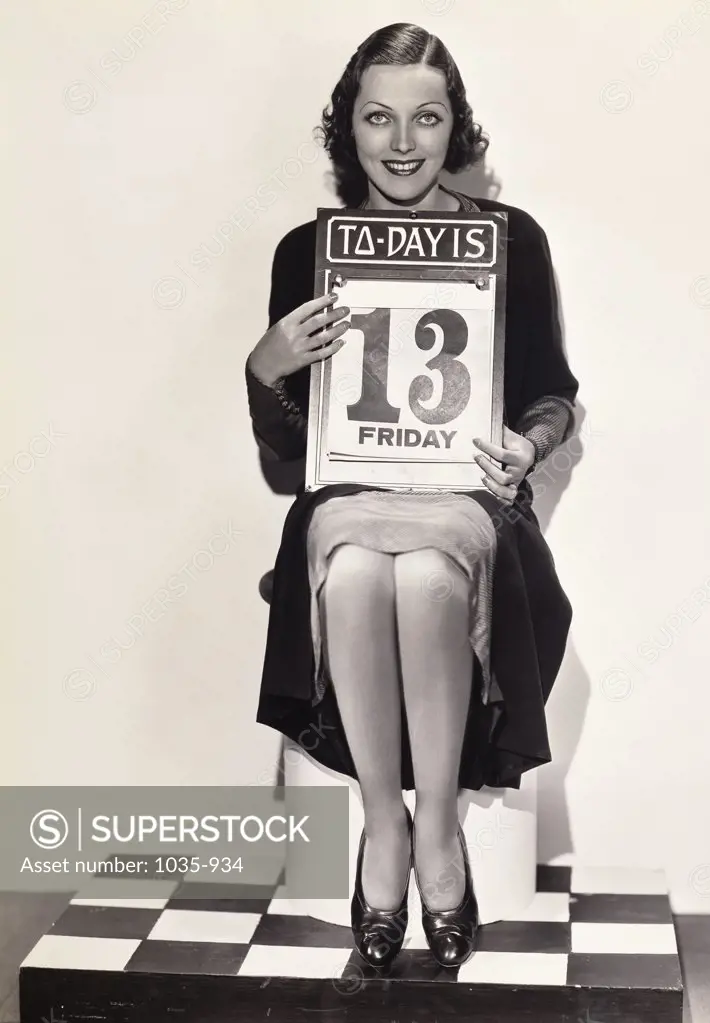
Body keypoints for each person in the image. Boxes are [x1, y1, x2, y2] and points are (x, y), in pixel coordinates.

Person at [244, 22, 579, 972]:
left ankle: (436, 823)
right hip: (350, 489)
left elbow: (553, 390)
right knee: (351, 573)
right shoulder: (308, 251)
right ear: (345, 129)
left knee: (428, 575)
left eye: (424, 119)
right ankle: (380, 821)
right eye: (378, 117)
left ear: (453, 128)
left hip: (463, 497)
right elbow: (287, 457)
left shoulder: (511, 240)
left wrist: (528, 440)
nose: (401, 143)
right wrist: (264, 369)